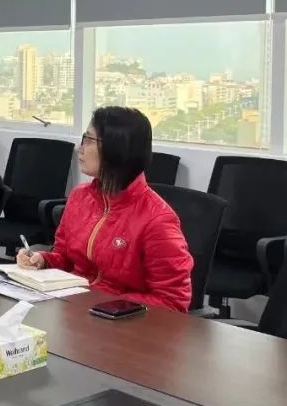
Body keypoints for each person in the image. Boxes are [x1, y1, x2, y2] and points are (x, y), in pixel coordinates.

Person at [17, 107, 193, 312]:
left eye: (89, 140)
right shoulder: (80, 197)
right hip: (75, 312)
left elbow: (173, 302)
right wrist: (43, 260)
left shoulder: (157, 220)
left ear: (115, 149)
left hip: (121, 322)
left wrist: (103, 301)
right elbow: (64, 257)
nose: (80, 148)